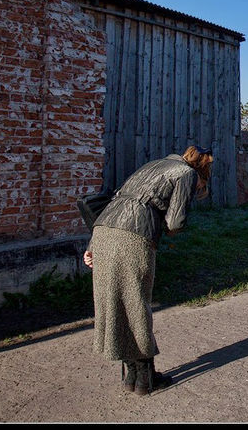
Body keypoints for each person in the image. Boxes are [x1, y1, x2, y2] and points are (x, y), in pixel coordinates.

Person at [82, 145, 213, 396]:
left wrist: (91, 246)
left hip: (102, 232)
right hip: (133, 237)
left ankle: (132, 374)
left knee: (114, 303)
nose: (197, 190)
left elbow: (117, 201)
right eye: (200, 189)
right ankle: (145, 379)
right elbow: (175, 222)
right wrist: (166, 227)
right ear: (202, 171)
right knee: (135, 302)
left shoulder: (153, 165)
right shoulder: (186, 174)